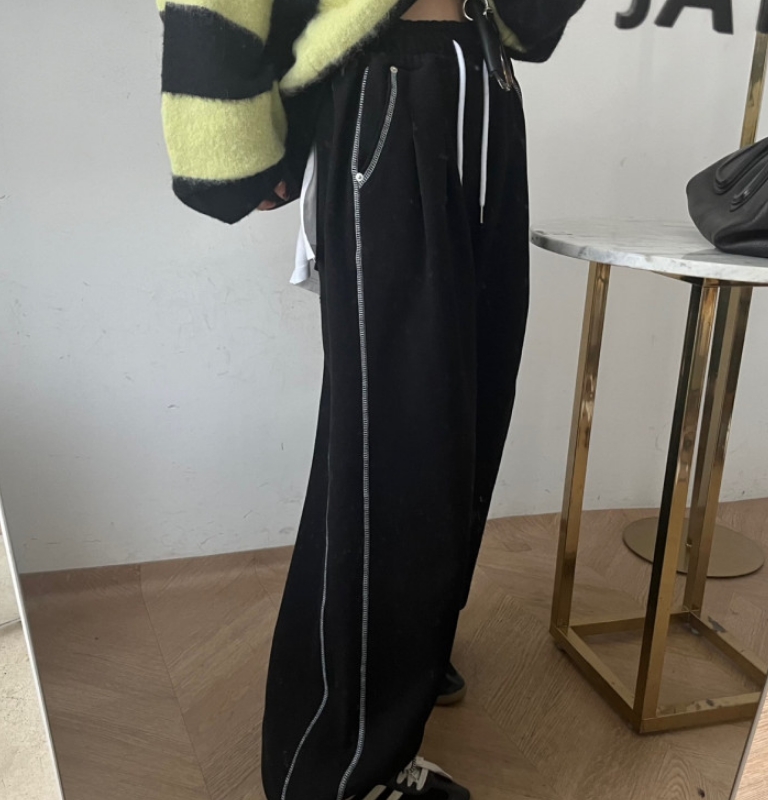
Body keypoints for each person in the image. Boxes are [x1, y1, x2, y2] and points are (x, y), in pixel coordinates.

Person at [156, 0, 585, 797]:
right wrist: (233, 144)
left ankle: (405, 652)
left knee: (472, 408)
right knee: (398, 439)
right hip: (388, 83)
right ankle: (338, 768)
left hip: (482, 74)